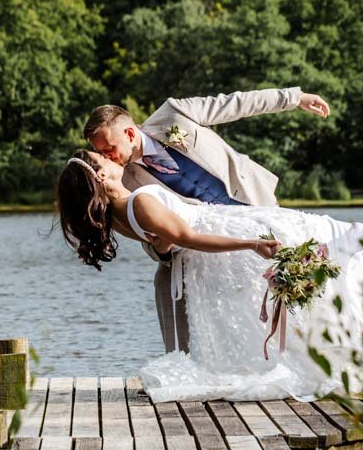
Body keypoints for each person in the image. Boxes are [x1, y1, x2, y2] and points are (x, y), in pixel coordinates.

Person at [56, 149, 363, 402]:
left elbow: (166, 247)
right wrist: (251, 244)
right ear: (100, 175)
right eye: (100, 158)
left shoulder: (115, 216)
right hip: (232, 235)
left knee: (323, 239)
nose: (108, 157)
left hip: (221, 245)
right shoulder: (139, 203)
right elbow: (188, 237)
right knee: (326, 231)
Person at [84, 87, 331, 355]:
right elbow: (149, 238)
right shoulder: (124, 182)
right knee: (174, 284)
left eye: (110, 149)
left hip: (256, 204)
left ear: (130, 134)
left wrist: (295, 98)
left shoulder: (173, 114)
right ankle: (187, 365)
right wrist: (161, 249)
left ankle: (317, 348)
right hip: (213, 242)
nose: (108, 157)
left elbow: (238, 104)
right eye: (102, 153)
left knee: (298, 279)